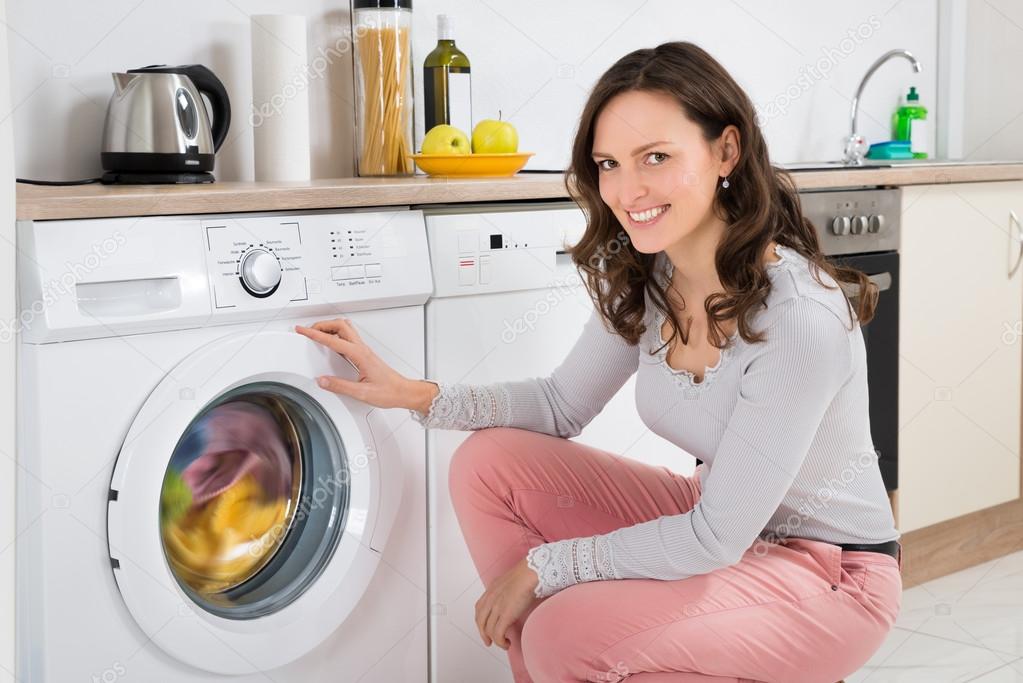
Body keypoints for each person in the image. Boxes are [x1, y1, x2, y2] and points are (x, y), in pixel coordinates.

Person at [296, 41, 900, 683]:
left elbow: (715, 539)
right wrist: (415, 394)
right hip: (714, 520)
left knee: (565, 627)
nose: (625, 189)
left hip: (831, 572)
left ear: (727, 150)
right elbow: (561, 406)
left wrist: (546, 567)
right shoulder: (652, 276)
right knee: (487, 464)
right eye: (609, 163)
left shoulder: (799, 316)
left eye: (656, 158)